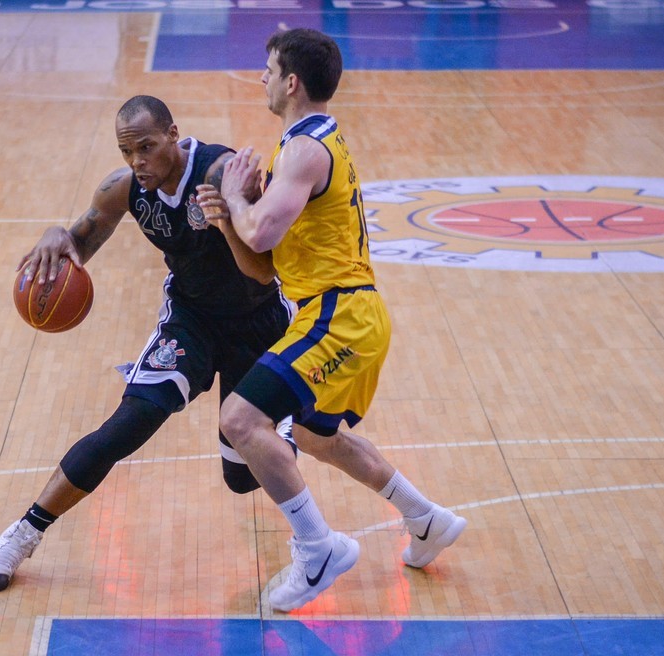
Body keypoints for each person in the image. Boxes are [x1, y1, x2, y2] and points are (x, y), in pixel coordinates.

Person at [0, 95, 297, 592]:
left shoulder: (221, 172)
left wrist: (234, 212)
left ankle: (287, 446)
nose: (137, 161)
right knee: (129, 422)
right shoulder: (124, 190)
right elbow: (80, 241)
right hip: (191, 320)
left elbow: (268, 264)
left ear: (172, 134)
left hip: (258, 322)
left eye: (146, 147)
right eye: (127, 151)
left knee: (242, 477)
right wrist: (59, 235)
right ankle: (22, 534)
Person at [194, 28, 466, 612]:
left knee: (241, 421)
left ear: (292, 81)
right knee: (317, 436)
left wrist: (238, 199)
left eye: (268, 69)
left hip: (338, 314)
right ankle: (425, 519)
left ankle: (317, 549)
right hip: (339, 312)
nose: (261, 78)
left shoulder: (304, 149)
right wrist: (226, 216)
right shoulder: (310, 142)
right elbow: (264, 269)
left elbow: (262, 230)